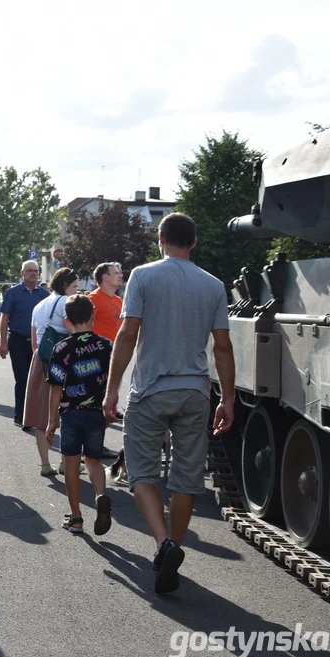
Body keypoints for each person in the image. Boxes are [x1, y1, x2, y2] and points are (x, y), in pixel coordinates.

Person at [102, 212, 236, 594]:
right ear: (194, 242)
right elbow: (222, 346)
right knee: (187, 477)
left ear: (160, 238)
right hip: (196, 391)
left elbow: (128, 334)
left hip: (150, 390)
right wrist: (227, 398)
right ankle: (173, 546)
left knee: (142, 473)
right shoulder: (213, 286)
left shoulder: (143, 277)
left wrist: (112, 389)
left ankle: (164, 544)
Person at [45, 295, 113, 536]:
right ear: (93, 316)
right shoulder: (106, 345)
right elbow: (112, 378)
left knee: (71, 463)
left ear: (67, 321)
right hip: (97, 413)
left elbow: (55, 386)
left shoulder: (62, 348)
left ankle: (76, 518)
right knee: (93, 460)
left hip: (71, 413)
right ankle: (101, 496)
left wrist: (52, 420)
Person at [24, 268, 79, 476]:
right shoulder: (67, 303)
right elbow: (73, 333)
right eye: (74, 286)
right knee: (66, 412)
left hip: (40, 359)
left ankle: (45, 463)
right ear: (65, 285)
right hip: (63, 361)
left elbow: (35, 339)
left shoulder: (39, 305)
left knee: (42, 414)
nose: (76, 291)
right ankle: (65, 462)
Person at [0, 260, 49, 426]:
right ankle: (21, 415)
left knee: (38, 380)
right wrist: (3, 341)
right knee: (22, 379)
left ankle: (36, 415)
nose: (33, 273)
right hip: (18, 341)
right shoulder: (13, 293)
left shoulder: (44, 294)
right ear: (22, 273)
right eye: (29, 271)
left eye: (36, 271)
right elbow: (4, 318)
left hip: (39, 343)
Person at [90, 262, 124, 342]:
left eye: (120, 273)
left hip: (117, 350)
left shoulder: (118, 300)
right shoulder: (92, 299)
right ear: (105, 277)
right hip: (100, 351)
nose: (121, 276)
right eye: (116, 273)